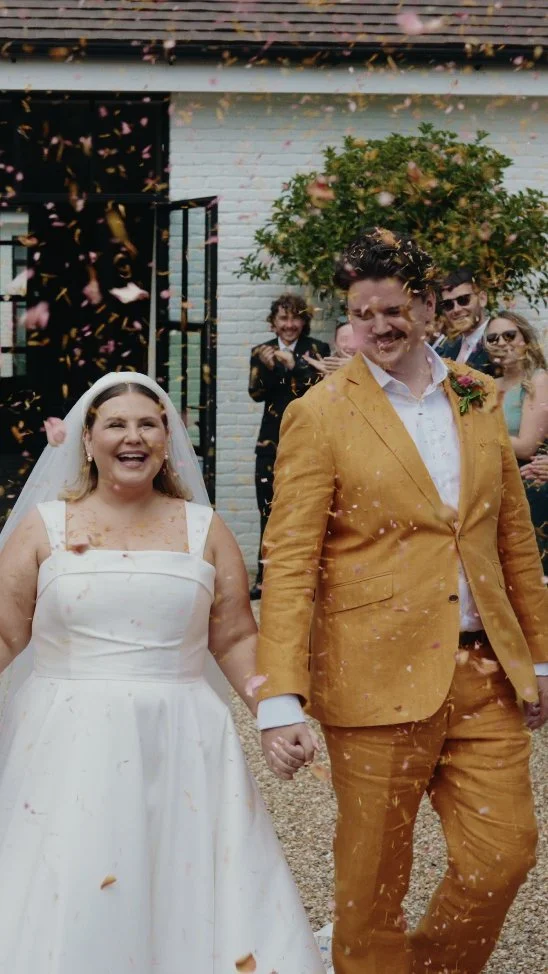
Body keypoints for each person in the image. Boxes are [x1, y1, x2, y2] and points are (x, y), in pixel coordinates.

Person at [255, 229, 548, 974]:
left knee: (504, 855)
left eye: (393, 310)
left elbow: (512, 537)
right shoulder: (319, 413)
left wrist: (540, 659)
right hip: (372, 674)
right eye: (363, 313)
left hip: (484, 674)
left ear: (426, 307)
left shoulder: (477, 393)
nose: (379, 327)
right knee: (372, 882)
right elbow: (290, 561)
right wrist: (280, 694)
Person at [0, 372, 324, 974]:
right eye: (116, 425)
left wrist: (277, 714)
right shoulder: (44, 527)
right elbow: (5, 631)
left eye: (148, 424)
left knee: (183, 878)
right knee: (73, 872)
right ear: (88, 440)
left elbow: (234, 636)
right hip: (66, 735)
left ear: (166, 439)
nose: (134, 437)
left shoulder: (204, 528)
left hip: (182, 735)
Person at [248, 293, 329, 599]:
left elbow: (319, 390)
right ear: (273, 322)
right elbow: (255, 393)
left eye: (295, 318)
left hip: (308, 441)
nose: (289, 324)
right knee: (267, 509)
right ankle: (264, 578)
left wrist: (294, 365)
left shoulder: (318, 350)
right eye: (283, 318)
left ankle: (303, 578)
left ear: (304, 321)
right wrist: (269, 367)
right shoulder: (261, 351)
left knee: (306, 510)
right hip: (270, 442)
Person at [484, 310, 548, 574]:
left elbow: (526, 445)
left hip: (527, 488)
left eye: (509, 335)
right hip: (492, 491)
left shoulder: (537, 381)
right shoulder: (486, 385)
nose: (501, 342)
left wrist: (478, 435)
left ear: (525, 339)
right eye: (493, 338)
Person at [435, 267, 495, 374]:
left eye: (463, 300)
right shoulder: (448, 349)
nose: (456, 309)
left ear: (482, 299)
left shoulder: (500, 342)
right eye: (448, 304)